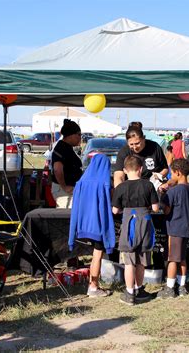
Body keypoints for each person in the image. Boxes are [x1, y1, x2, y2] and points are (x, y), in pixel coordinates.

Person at [112, 155, 159, 306]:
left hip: (129, 223)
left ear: (125, 171)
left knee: (129, 261)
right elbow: (155, 208)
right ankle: (139, 289)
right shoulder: (148, 185)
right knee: (142, 260)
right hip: (144, 222)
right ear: (141, 169)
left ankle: (130, 293)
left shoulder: (120, 187)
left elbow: (115, 210)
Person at [69, 154, 115, 297]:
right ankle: (93, 286)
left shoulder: (81, 182)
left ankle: (93, 284)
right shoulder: (105, 182)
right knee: (97, 254)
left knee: (95, 253)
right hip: (98, 226)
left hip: (82, 224)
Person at [158, 159, 189, 298]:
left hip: (174, 228)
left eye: (172, 174)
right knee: (182, 258)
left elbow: (167, 210)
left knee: (172, 258)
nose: (170, 177)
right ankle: (182, 286)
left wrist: (162, 197)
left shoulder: (174, 191)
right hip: (185, 227)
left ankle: (169, 288)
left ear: (178, 173)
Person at [113, 125, 168, 189]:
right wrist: (119, 192)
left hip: (152, 188)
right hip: (131, 189)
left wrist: (159, 176)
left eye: (137, 143)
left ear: (144, 138)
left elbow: (165, 168)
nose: (135, 147)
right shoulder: (124, 151)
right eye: (131, 144)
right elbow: (118, 176)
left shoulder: (155, 147)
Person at [51, 119, 82, 208]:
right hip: (63, 190)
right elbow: (57, 169)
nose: (80, 137)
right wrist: (64, 186)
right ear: (70, 135)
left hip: (68, 188)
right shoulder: (61, 148)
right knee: (66, 216)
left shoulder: (67, 148)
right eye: (78, 134)